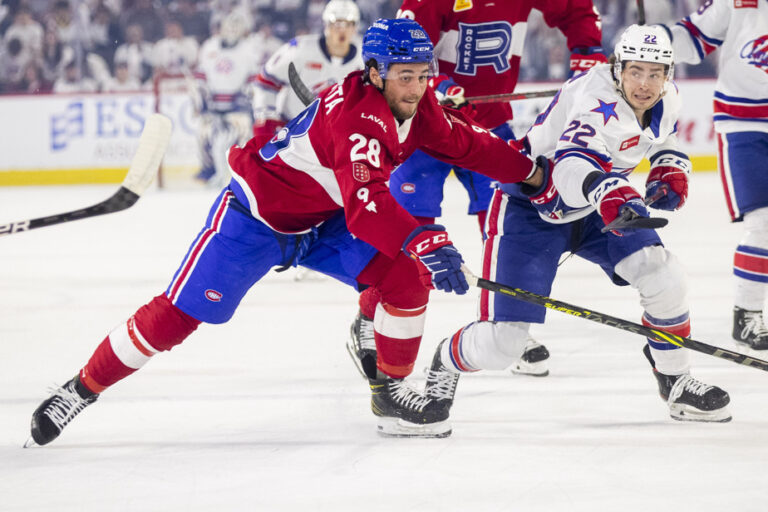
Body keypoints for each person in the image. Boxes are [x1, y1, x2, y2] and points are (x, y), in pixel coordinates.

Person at [25, 18, 545, 447]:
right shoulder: (360, 118)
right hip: (258, 219)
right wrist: (425, 239)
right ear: (375, 73)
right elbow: (368, 207)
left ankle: (389, 392)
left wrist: (535, 175)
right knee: (178, 316)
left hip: (326, 222)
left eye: (422, 75)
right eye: (404, 76)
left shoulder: (418, 104)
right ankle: (81, 387)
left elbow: (471, 146)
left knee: (407, 281)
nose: (415, 88)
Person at [418, 24, 732, 436]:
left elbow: (663, 139)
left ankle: (675, 379)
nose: (645, 83)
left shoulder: (668, 97)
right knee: (504, 344)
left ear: (668, 74)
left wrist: (670, 167)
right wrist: (611, 190)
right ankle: (445, 358)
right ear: (618, 67)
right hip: (531, 208)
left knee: (663, 274)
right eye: (636, 71)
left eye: (656, 73)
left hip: (595, 207)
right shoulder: (594, 96)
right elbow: (569, 164)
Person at [347, 0, 606, 381]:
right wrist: (439, 85)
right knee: (408, 233)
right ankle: (371, 313)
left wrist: (588, 50)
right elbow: (403, 55)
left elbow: (574, 8)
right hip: (426, 124)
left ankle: (507, 325)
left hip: (488, 126)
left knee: (507, 227)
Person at [657, 0, 768, 350]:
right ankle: (747, 313)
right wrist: (657, 41)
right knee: (764, 223)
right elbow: (694, 36)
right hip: (744, 122)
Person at [251, 0, 363, 147]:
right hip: (291, 130)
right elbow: (265, 81)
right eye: (337, 24)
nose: (342, 30)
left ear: (355, 27)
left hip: (333, 139)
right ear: (326, 25)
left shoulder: (364, 60)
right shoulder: (301, 50)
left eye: (348, 24)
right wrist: (267, 117)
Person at [192, 11, 261, 187]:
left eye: (236, 28)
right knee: (205, 137)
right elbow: (200, 76)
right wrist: (201, 97)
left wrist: (246, 98)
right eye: (228, 27)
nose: (231, 31)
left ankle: (242, 175)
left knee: (240, 142)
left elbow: (253, 79)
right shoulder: (210, 46)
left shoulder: (249, 48)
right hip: (214, 105)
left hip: (239, 107)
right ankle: (211, 171)